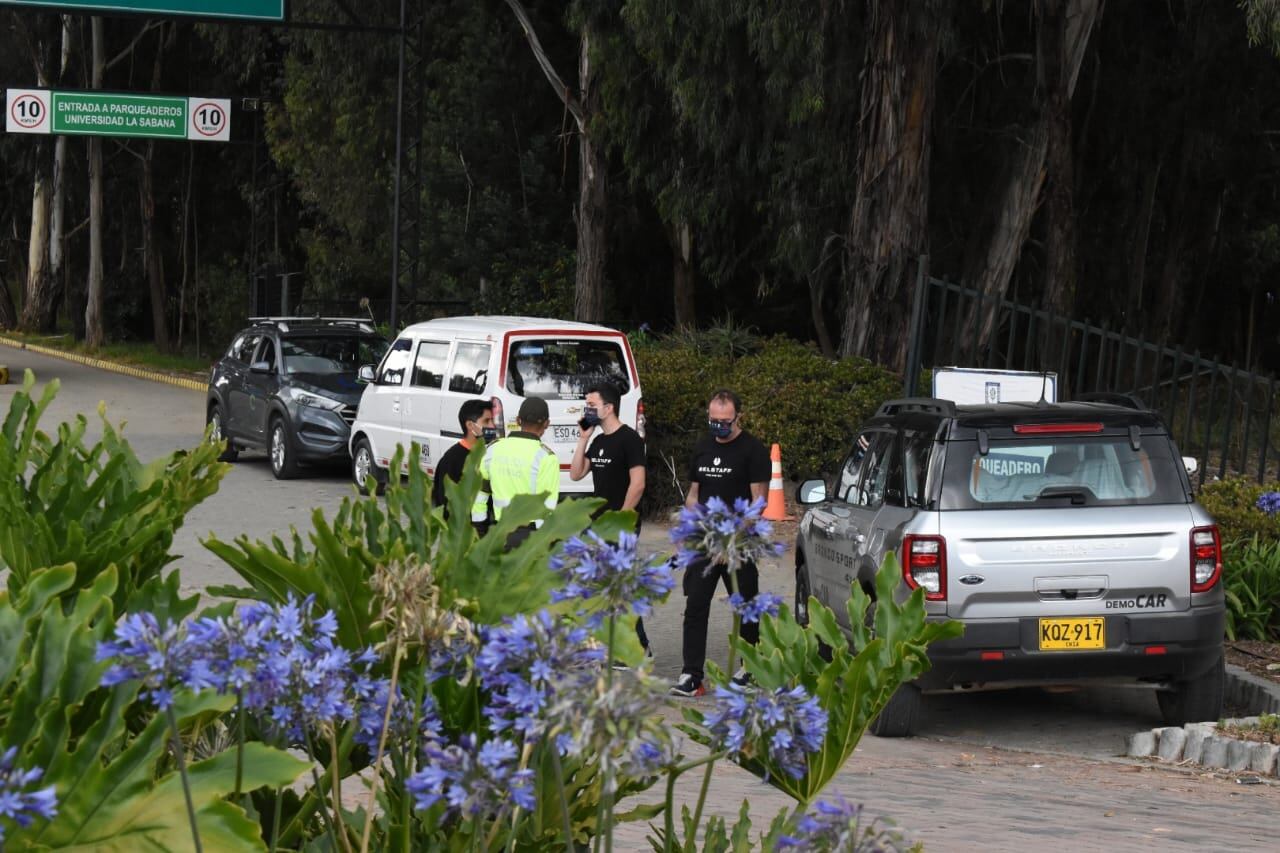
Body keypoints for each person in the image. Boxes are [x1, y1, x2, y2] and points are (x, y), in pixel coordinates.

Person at [670, 389, 771, 698]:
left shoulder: (753, 450)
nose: (718, 426)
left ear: (738, 417)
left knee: (745, 605)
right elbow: (693, 494)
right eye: (713, 420)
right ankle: (692, 675)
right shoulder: (702, 447)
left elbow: (759, 503)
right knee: (695, 606)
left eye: (725, 421)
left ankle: (749, 668)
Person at [569, 381, 650, 656]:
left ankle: (637, 648)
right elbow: (576, 474)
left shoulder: (629, 440)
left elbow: (637, 483)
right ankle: (619, 645)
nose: (588, 409)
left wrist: (622, 520)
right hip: (598, 525)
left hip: (621, 526)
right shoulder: (599, 441)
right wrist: (583, 438)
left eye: (592, 405)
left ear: (608, 407)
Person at [478, 397, 559, 545]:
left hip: (498, 532)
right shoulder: (547, 457)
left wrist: (480, 530)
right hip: (529, 538)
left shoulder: (492, 449)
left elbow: (480, 494)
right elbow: (547, 507)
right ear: (547, 424)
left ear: (518, 420)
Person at [431, 398, 496, 530]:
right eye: (486, 421)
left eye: (492, 421)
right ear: (470, 425)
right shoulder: (451, 460)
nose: (492, 426)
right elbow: (444, 504)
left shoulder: (490, 455)